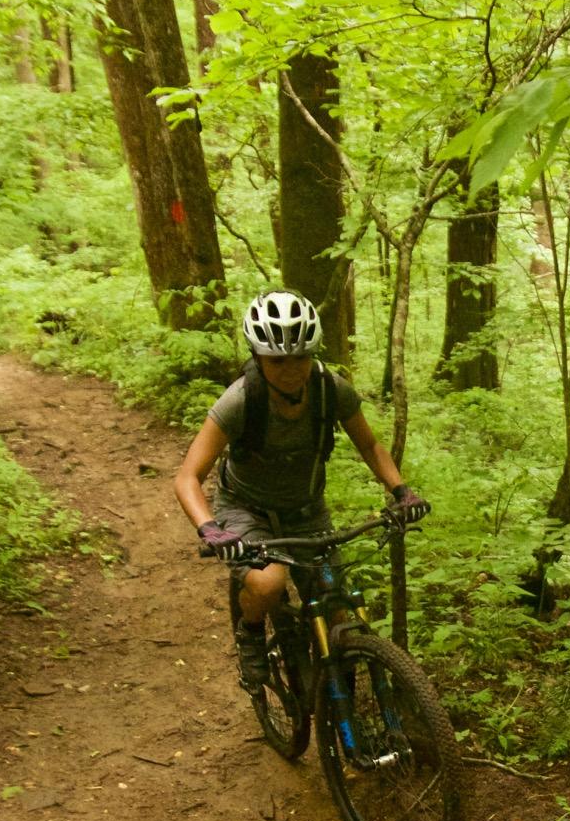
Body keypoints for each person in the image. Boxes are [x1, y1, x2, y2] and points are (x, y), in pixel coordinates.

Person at [174, 289, 429, 688]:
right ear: (258, 358)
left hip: (307, 510)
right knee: (269, 582)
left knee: (337, 607)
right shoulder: (241, 400)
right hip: (246, 508)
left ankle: (337, 702)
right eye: (277, 360)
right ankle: (252, 637)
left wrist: (402, 491)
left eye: (301, 357)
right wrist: (210, 528)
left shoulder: (330, 389)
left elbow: (370, 445)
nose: (290, 368)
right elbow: (188, 476)